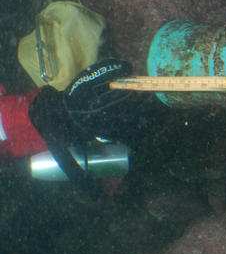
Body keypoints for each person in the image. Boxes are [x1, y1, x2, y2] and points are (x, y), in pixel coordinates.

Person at [0, 60, 136, 197]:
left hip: (56, 115)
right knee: (110, 118)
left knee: (100, 112)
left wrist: (89, 186)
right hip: (62, 122)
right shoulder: (8, 153)